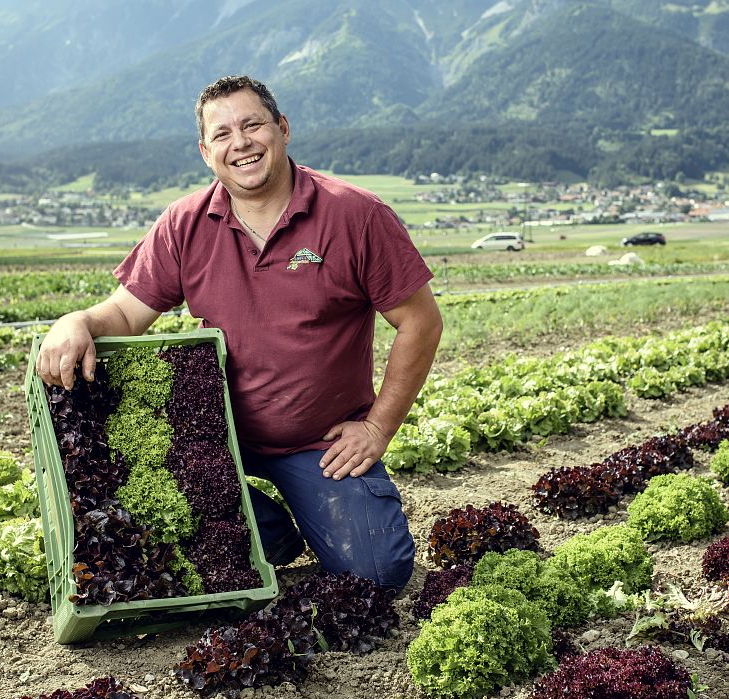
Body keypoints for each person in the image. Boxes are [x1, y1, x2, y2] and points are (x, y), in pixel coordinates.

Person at [36, 75, 443, 589]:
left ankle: (284, 518)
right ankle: (268, 532)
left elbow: (421, 323)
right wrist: (78, 321)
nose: (241, 143)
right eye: (223, 134)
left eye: (253, 125)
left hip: (319, 443)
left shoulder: (355, 215)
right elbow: (125, 314)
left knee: (376, 575)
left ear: (283, 128)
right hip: (214, 437)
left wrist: (379, 428)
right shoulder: (184, 222)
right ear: (206, 152)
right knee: (130, 491)